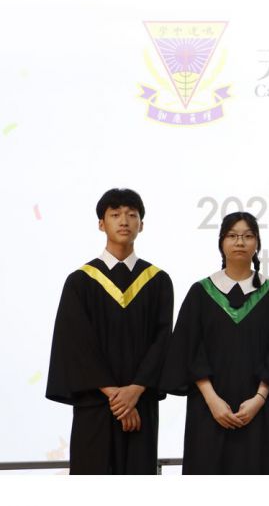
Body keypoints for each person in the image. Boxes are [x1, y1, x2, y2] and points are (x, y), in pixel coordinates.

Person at [46, 188, 173, 474]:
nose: (124, 221)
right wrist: (117, 397)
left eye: (132, 215)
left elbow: (162, 341)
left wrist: (135, 391)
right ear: (101, 224)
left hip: (141, 405)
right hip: (95, 406)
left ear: (142, 224)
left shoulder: (158, 281)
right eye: (115, 215)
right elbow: (76, 344)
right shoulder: (80, 281)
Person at [160, 212, 269, 474]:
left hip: (261, 411)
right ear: (221, 242)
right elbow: (189, 348)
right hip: (209, 411)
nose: (240, 242)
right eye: (232, 236)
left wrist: (259, 398)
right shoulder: (201, 293)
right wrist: (212, 399)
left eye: (248, 236)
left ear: (257, 243)